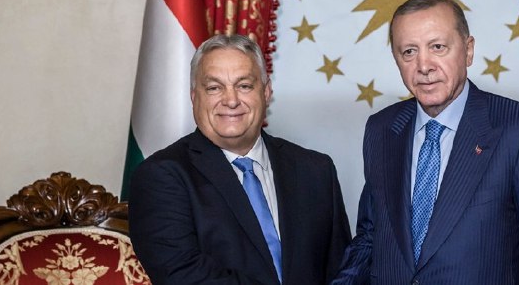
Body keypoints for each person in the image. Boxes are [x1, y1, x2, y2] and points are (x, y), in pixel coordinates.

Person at [333, 0, 519, 284]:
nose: (424, 65)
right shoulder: (382, 129)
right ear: (396, 59)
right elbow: (370, 237)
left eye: (438, 47)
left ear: (468, 51)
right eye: (409, 51)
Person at [129, 34, 352, 285]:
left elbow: (343, 271)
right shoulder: (161, 176)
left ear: (266, 92)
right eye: (214, 88)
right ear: (194, 96)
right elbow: (182, 274)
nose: (231, 100)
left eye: (244, 86)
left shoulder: (316, 170)